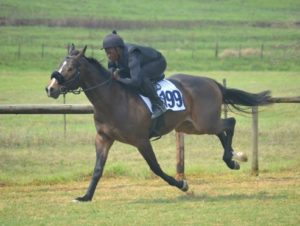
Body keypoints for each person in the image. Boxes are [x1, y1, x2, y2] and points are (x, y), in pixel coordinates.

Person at [102, 30, 167, 119]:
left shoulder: (132, 54)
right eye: (107, 53)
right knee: (121, 73)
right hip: (143, 64)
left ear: (118, 49)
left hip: (158, 62)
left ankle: (159, 104)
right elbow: (110, 72)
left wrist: (118, 79)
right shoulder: (114, 56)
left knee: (142, 77)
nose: (108, 56)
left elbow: (136, 82)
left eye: (110, 52)